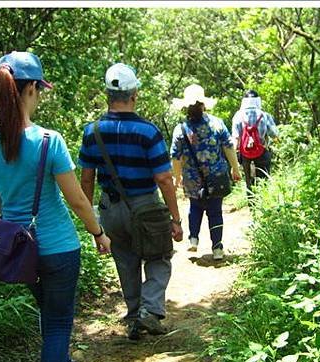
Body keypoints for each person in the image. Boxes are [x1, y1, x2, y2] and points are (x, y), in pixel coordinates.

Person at [0, 51, 111, 362]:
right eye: (39, 89)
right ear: (32, 89)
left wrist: (5, 236)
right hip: (59, 247)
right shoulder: (48, 140)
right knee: (58, 324)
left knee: (48, 315)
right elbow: (77, 199)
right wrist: (98, 232)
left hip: (20, 249)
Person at [78, 63, 183, 340]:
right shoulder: (147, 132)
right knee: (159, 256)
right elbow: (163, 179)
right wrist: (175, 219)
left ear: (107, 95)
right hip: (146, 206)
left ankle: (135, 314)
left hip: (110, 208)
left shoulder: (93, 132)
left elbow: (86, 179)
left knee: (125, 259)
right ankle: (149, 312)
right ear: (134, 94)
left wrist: (93, 221)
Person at [170, 84, 241, 261]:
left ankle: (193, 239)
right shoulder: (217, 123)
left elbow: (175, 156)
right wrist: (235, 167)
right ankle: (217, 249)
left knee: (195, 207)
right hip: (216, 176)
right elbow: (228, 146)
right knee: (215, 211)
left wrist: (177, 177)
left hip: (192, 178)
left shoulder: (181, 129)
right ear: (204, 105)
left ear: (186, 108)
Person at [231, 89, 279, 197]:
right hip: (262, 151)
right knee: (264, 181)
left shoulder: (238, 116)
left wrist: (233, 162)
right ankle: (263, 206)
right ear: (258, 101)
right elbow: (274, 134)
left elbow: (235, 138)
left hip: (245, 154)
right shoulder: (264, 115)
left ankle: (252, 207)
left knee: (249, 182)